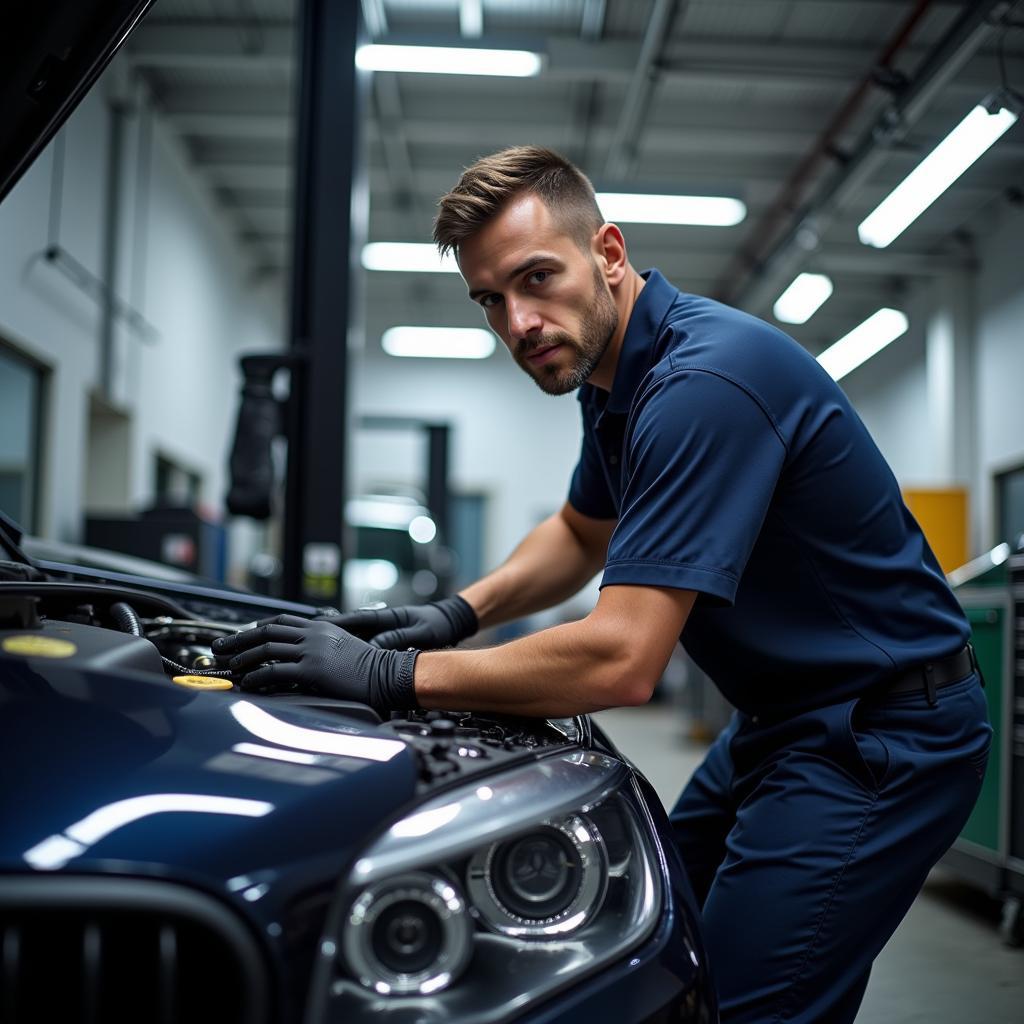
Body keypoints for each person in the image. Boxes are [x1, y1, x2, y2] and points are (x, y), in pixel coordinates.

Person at [214, 146, 992, 1023]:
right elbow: (580, 532)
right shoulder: (612, 375)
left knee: (738, 1006)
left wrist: (389, 677)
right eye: (491, 300)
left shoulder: (702, 384)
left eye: (536, 278)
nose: (519, 322)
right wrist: (451, 613)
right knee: (652, 939)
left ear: (609, 254)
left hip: (882, 735)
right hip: (784, 721)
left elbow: (623, 660)